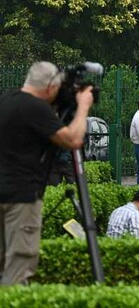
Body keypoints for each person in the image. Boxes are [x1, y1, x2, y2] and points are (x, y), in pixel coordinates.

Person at [0, 61, 93, 285]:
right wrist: (83, 106)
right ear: (51, 86)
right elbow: (73, 139)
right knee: (19, 265)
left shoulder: (6, 101)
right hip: (21, 198)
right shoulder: (35, 108)